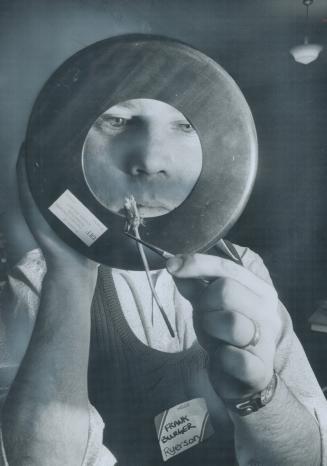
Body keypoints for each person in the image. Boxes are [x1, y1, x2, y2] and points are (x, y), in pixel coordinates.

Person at [0, 57, 327, 466]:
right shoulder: (36, 284)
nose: (151, 159)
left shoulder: (242, 268)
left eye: (184, 125)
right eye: (117, 121)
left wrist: (259, 395)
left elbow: (312, 456)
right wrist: (68, 274)